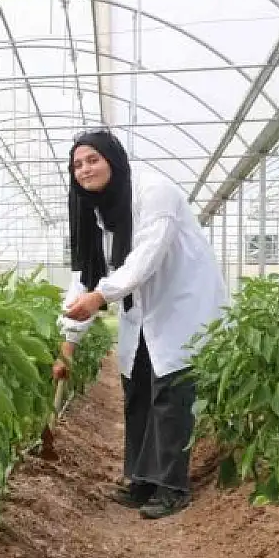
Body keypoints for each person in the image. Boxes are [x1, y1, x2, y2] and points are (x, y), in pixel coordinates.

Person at [52, 129, 227, 520]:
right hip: (141, 306)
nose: (84, 170)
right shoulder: (94, 210)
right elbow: (86, 274)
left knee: (171, 394)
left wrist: (101, 297)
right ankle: (142, 480)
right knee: (137, 389)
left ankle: (172, 487)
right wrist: (68, 346)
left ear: (113, 159)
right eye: (77, 164)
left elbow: (146, 256)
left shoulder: (154, 192)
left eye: (93, 160)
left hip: (181, 303)